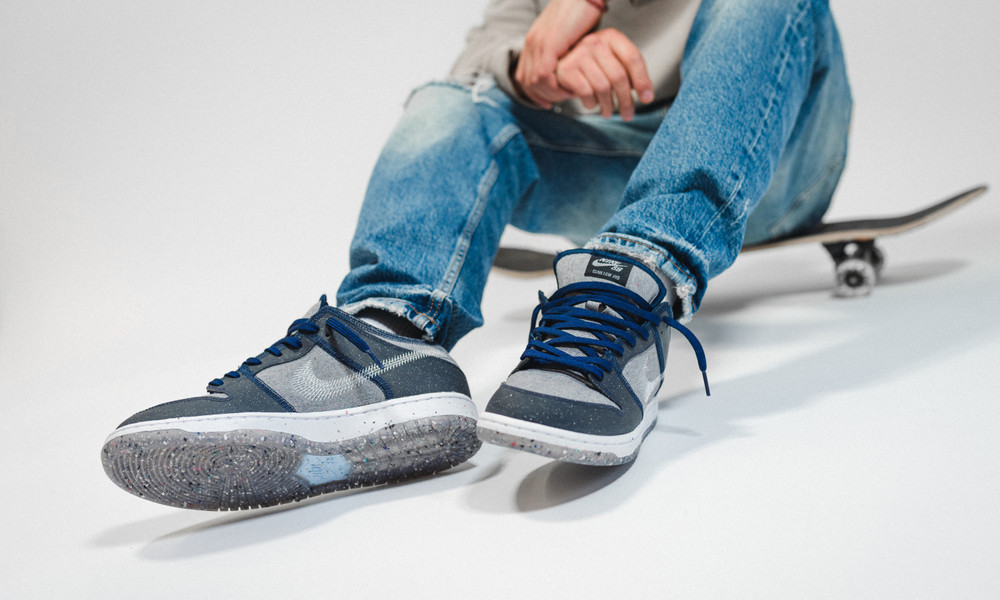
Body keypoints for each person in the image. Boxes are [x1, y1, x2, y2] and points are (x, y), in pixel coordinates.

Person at [101, 0, 851, 510]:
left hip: (772, 159)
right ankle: (390, 339)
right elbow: (480, 57)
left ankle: (637, 281)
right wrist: (533, 61)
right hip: (608, 167)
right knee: (453, 100)